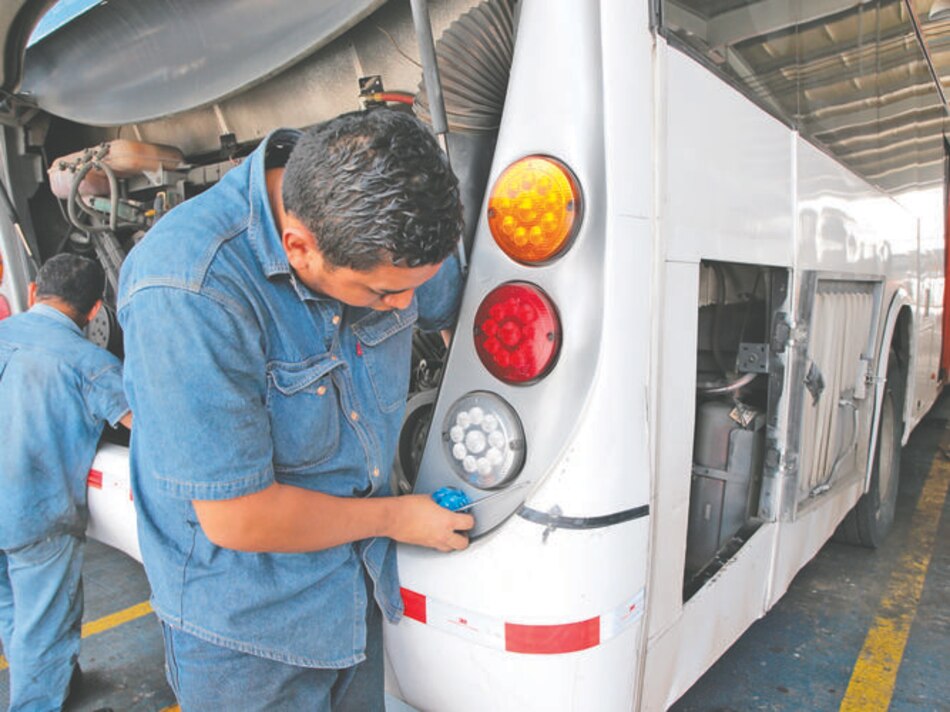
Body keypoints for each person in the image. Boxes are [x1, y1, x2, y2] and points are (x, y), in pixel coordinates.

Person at [118, 109, 474, 711]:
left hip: (353, 588)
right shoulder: (187, 290)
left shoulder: (385, 225)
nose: (406, 305)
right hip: (246, 635)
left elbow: (447, 308)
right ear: (299, 248)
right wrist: (397, 518)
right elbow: (238, 519)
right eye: (384, 294)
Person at [0, 253, 132, 711]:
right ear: (96, 309)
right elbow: (148, 425)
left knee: (12, 607)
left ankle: (56, 683)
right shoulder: (89, 362)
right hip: (32, 516)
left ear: (33, 292)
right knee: (44, 629)